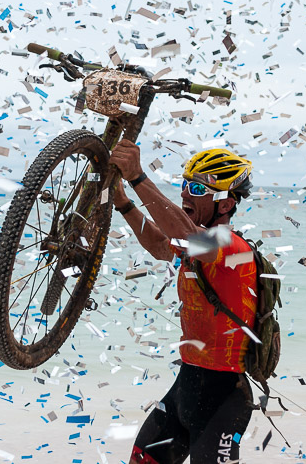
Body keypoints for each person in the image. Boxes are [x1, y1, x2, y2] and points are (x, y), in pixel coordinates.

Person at [109, 140, 258, 464]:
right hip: (185, 387)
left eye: (196, 188)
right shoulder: (199, 245)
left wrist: (137, 178)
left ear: (225, 204)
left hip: (223, 397)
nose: (185, 193)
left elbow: (185, 235)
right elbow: (161, 245)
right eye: (184, 184)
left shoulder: (231, 246)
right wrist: (123, 203)